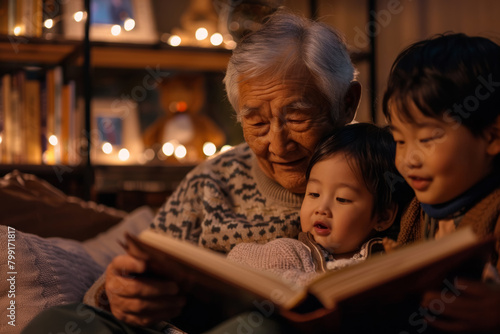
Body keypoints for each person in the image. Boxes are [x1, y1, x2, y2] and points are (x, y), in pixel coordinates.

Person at [22, 9, 361, 334]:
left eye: (297, 117)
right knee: (61, 321)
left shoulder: (378, 172)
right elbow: (132, 270)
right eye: (256, 122)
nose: (277, 143)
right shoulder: (213, 180)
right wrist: (118, 293)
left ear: (346, 104)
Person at [382, 33, 500, 333]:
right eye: (399, 139)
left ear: (493, 136)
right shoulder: (420, 210)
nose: (409, 159)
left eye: (427, 139)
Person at [226, 123, 413, 287]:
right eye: (314, 194)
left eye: (342, 199)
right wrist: (311, 284)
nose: (321, 209)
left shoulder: (388, 257)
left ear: (383, 216)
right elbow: (238, 259)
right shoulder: (296, 253)